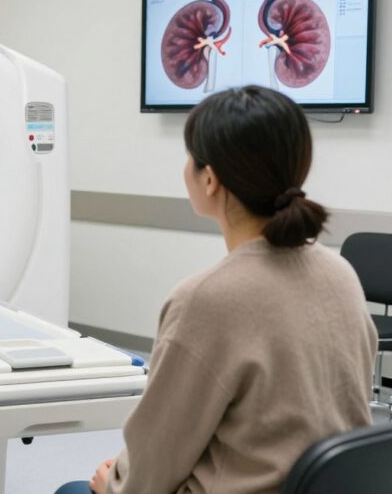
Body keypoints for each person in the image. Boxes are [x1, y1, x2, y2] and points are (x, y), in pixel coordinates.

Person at [57, 86, 377, 494]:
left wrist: (113, 483)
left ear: (209, 179)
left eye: (189, 156)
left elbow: (155, 461)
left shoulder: (207, 300)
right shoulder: (340, 273)